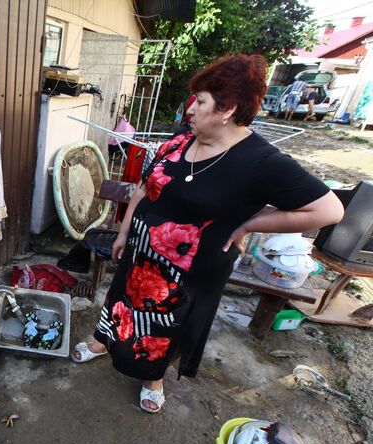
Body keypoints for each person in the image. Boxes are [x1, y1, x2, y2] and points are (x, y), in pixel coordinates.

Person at [70, 55, 344, 414]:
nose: (190, 110)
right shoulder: (182, 139)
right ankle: (104, 340)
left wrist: (248, 224)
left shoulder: (261, 162)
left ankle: (154, 376)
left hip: (191, 273)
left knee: (167, 325)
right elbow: (144, 188)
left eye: (200, 102)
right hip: (141, 253)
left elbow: (329, 210)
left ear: (227, 108)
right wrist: (124, 231)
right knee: (121, 300)